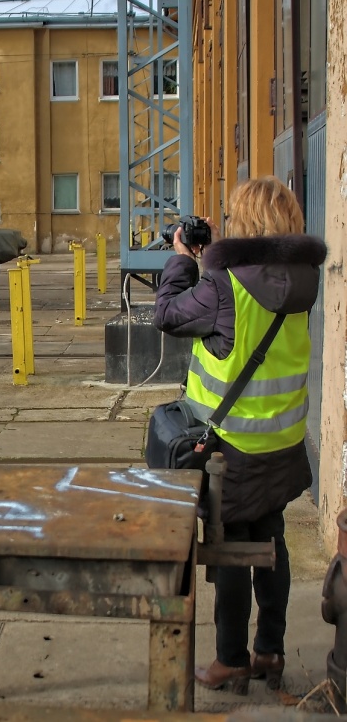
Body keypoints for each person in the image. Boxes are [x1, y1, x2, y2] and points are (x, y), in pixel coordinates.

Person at [153, 176, 327, 695]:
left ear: (244, 224)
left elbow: (167, 315)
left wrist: (184, 257)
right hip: (284, 443)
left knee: (229, 549)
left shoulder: (225, 286)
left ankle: (230, 660)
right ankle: (270, 652)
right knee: (272, 541)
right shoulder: (303, 281)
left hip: (231, 450)